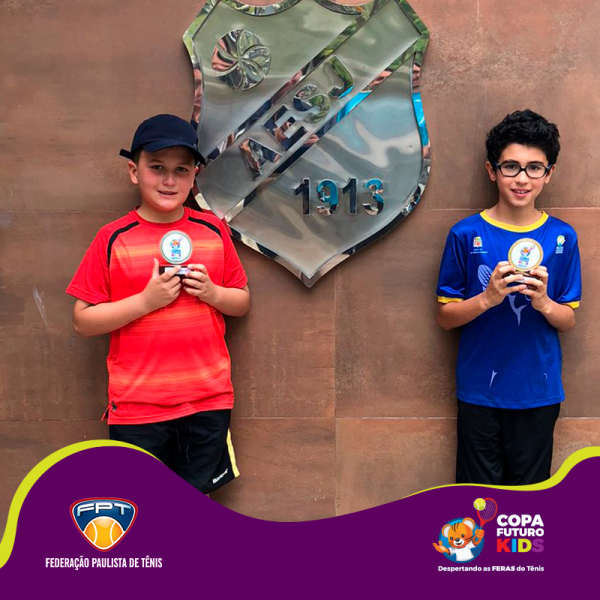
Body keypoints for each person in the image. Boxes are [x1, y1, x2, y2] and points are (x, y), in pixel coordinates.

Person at [67, 114, 250, 494]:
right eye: (157, 167)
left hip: (206, 400)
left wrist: (212, 293)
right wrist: (146, 301)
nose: (169, 180)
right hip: (138, 407)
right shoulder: (113, 237)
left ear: (194, 175)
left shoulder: (213, 230)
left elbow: (241, 300)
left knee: (196, 503)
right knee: (143, 505)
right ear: (134, 172)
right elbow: (83, 321)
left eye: (181, 169)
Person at [436, 109, 581, 485]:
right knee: (478, 501)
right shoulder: (465, 234)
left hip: (538, 391)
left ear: (549, 173)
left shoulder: (563, 237)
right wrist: (487, 298)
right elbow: (445, 317)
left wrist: (544, 303)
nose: (522, 179)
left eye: (534, 168)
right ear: (492, 170)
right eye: (511, 167)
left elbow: (568, 319)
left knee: (528, 503)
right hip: (479, 392)